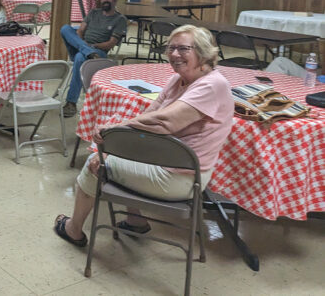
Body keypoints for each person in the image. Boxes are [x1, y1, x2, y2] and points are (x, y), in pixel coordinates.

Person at [53, 25, 233, 247]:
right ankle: (135, 221)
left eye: (184, 48)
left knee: (93, 164)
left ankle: (73, 229)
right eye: (171, 48)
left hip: (182, 178)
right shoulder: (177, 80)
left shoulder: (212, 85)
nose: (175, 54)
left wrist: (114, 130)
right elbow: (150, 115)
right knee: (114, 155)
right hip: (165, 160)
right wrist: (115, 144)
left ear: (203, 53)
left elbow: (163, 122)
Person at [59, 0, 127, 117]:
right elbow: (80, 31)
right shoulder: (93, 13)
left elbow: (110, 44)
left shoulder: (120, 19)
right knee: (65, 28)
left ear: (115, 0)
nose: (105, 0)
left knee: (80, 58)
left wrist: (92, 46)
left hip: (99, 53)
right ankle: (87, 51)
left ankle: (71, 103)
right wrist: (84, 46)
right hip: (83, 47)